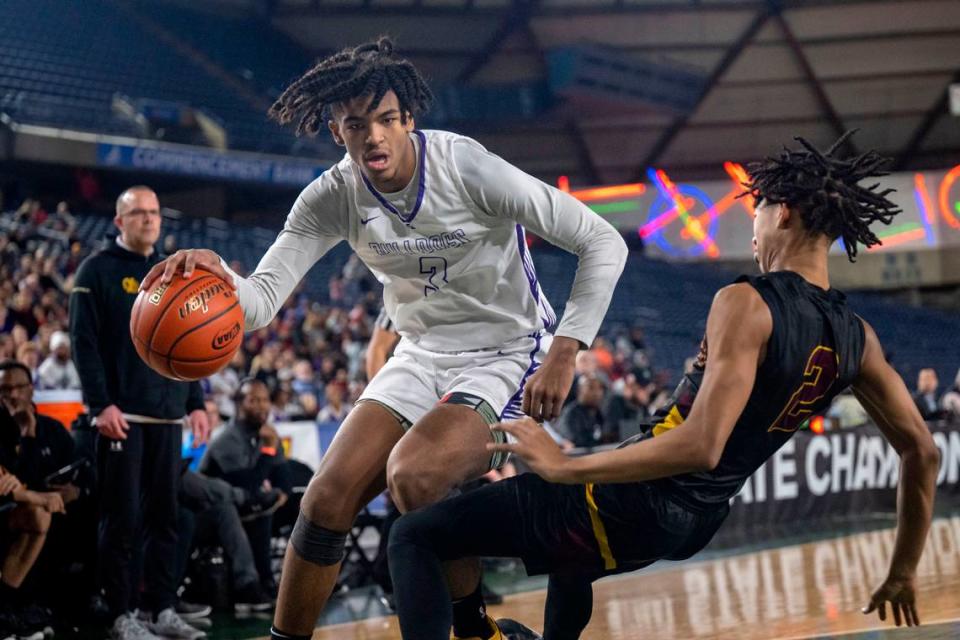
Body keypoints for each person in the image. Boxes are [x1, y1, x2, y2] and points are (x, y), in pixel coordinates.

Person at [141, 37, 627, 640]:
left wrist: (565, 349)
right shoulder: (330, 196)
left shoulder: (464, 166)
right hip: (420, 353)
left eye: (386, 120)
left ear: (408, 120)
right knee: (325, 500)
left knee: (415, 477)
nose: (373, 135)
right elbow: (260, 302)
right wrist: (219, 276)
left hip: (509, 351)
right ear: (336, 132)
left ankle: (479, 632)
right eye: (355, 124)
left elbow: (603, 240)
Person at [386, 132, 941, 639]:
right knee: (570, 558)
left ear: (785, 213)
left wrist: (565, 466)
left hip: (644, 501)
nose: (752, 227)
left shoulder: (747, 302)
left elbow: (701, 444)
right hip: (698, 518)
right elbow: (922, 451)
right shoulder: (858, 337)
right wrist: (902, 570)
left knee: (415, 536)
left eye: (758, 210)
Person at [69, 186, 211, 640]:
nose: (149, 220)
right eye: (139, 213)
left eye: (154, 213)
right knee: (123, 520)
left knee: (165, 520)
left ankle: (160, 608)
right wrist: (99, 405)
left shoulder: (169, 273)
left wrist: (197, 402)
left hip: (168, 417)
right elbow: (83, 346)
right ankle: (120, 613)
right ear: (119, 221)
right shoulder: (96, 271)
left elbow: (191, 344)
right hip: (121, 417)